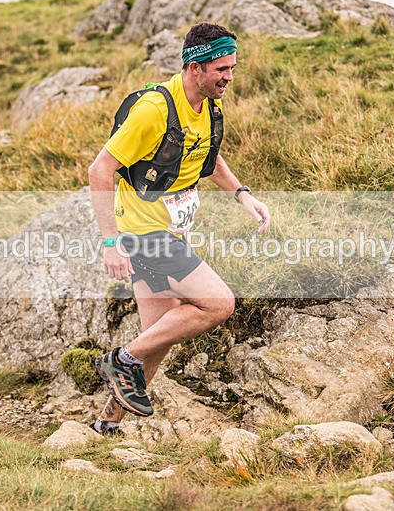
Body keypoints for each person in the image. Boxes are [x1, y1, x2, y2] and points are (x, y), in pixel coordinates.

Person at [87, 22, 271, 436]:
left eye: (232, 68)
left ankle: (105, 425)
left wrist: (242, 194)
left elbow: (208, 158)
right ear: (194, 68)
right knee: (219, 304)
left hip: (169, 232)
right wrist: (111, 242)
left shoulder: (207, 107)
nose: (229, 77)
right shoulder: (154, 111)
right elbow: (99, 170)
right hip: (142, 233)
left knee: (157, 336)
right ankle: (119, 358)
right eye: (221, 69)